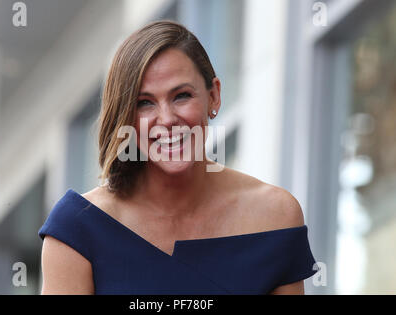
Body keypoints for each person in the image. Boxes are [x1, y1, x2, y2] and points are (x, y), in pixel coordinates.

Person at [38, 20, 317, 295]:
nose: (167, 119)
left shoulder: (274, 216)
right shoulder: (79, 228)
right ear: (126, 116)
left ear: (214, 96)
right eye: (144, 103)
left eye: (181, 96)